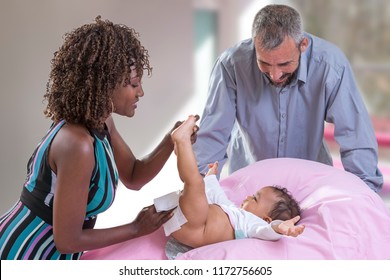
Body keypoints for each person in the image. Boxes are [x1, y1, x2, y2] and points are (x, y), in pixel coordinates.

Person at [0, 16, 195, 260]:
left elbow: (133, 175)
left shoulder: (101, 123)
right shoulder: (77, 145)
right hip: (24, 251)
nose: (141, 92)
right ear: (105, 85)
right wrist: (136, 228)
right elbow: (67, 240)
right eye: (133, 84)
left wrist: (171, 139)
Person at [192, 4, 383, 193]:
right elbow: (213, 136)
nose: (274, 74)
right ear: (254, 44)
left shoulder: (331, 66)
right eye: (264, 63)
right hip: (250, 187)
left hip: (310, 185)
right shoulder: (231, 65)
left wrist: (365, 195)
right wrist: (200, 192)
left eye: (284, 63)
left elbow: (355, 136)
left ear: (303, 45)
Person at [168, 115, 304, 249]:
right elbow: (218, 196)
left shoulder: (253, 224)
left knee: (195, 183)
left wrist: (279, 227)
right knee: (197, 185)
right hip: (189, 222)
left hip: (197, 226)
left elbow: (267, 231)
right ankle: (182, 149)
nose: (248, 196)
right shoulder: (234, 212)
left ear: (266, 219)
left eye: (255, 199)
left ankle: (182, 143)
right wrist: (210, 178)